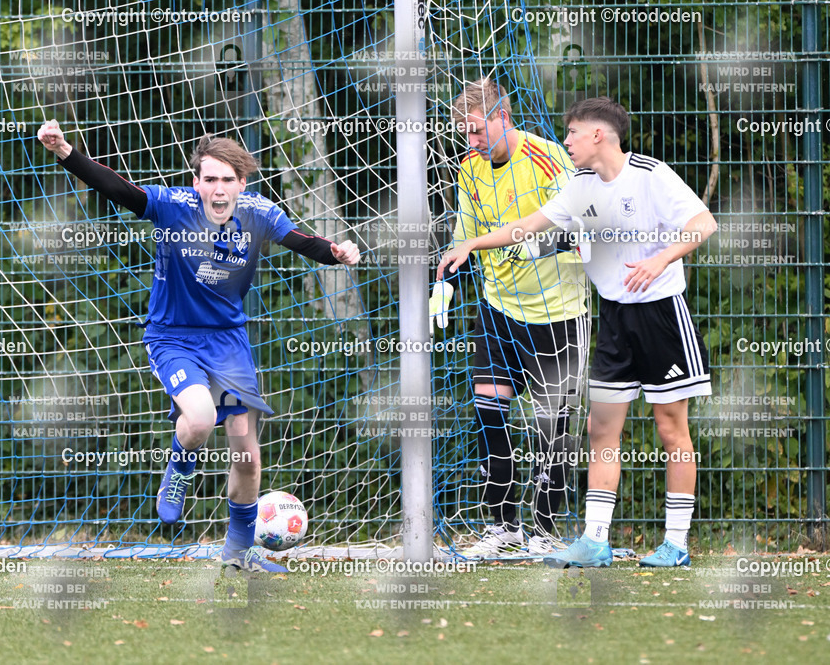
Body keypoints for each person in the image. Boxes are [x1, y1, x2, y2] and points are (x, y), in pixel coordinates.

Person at [37, 120, 359, 572]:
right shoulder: (173, 206)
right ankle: (181, 467)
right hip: (172, 337)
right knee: (201, 417)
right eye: (210, 179)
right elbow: (120, 189)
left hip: (228, 343)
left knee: (247, 458)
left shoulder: (259, 213)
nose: (219, 189)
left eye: (228, 180)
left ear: (242, 184)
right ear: (197, 183)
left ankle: (239, 552)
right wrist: (67, 153)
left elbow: (303, 242)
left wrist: (338, 251)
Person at [438, 97, 717, 568]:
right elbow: (528, 227)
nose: (564, 140)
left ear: (598, 135)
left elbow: (702, 223)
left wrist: (660, 258)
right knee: (600, 429)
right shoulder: (581, 187)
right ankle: (594, 539)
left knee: (672, 429)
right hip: (612, 319)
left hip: (661, 317)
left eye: (572, 132)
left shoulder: (651, 174)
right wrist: (471, 243)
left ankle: (676, 543)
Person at [431, 77, 590, 558]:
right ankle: (504, 527)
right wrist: (445, 284)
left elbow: (582, 227)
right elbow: (466, 234)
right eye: (465, 134)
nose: (472, 142)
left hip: (558, 313)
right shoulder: (469, 169)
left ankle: (544, 530)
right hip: (499, 308)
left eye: (478, 131)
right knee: (489, 411)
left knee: (551, 425)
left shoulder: (548, 159)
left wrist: (526, 245)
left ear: (503, 117)